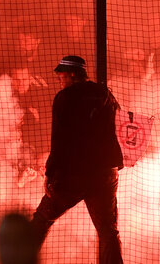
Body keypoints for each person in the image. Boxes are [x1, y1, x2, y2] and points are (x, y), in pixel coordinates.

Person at [31, 55, 124, 264]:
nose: (58, 77)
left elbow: (60, 140)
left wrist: (50, 173)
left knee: (42, 218)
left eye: (61, 73)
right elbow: (119, 121)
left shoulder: (65, 98)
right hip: (105, 173)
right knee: (108, 231)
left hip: (74, 175)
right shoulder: (103, 93)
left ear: (72, 74)